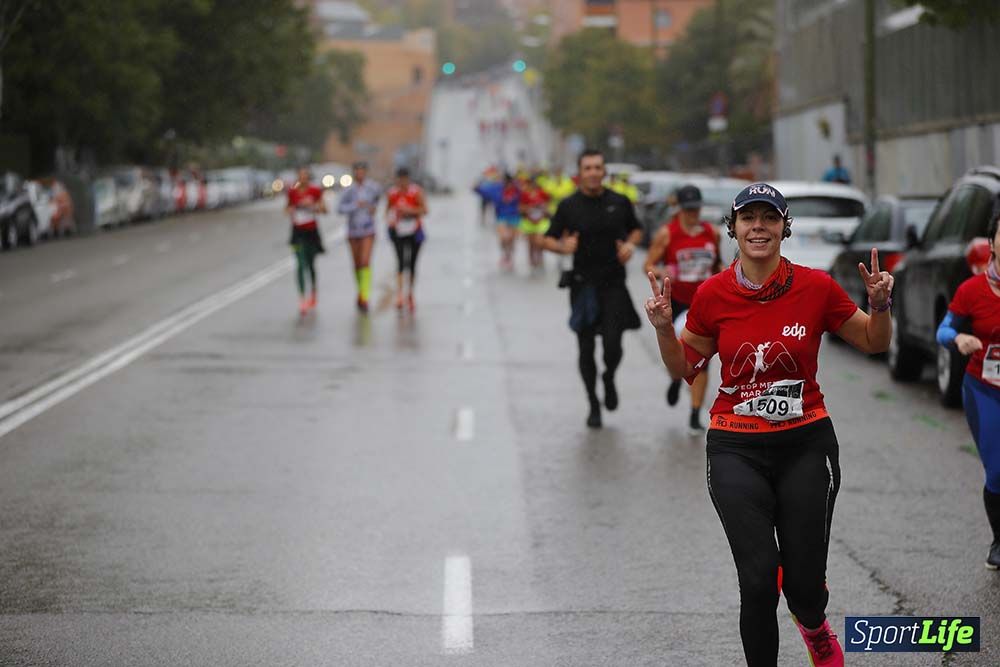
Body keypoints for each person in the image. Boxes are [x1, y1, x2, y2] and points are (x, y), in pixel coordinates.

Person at [645, 182, 894, 666]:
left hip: (806, 443)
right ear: (734, 229)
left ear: (784, 227)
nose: (758, 227)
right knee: (758, 580)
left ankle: (814, 624)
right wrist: (662, 329)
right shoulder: (714, 294)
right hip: (735, 447)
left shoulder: (816, 287)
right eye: (748, 219)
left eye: (769, 217)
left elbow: (874, 342)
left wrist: (880, 306)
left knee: (802, 588)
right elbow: (685, 368)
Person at [542, 149, 643, 429]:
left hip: (613, 284)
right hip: (583, 285)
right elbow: (546, 239)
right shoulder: (569, 206)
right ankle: (593, 403)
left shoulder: (619, 202)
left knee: (613, 344)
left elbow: (636, 229)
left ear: (604, 171)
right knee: (586, 348)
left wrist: (630, 245)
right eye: (588, 168)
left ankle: (609, 376)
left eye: (598, 167)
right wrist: (563, 246)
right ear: (580, 173)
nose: (594, 173)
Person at [936, 212, 1000, 569]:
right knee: (998, 470)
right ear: (991, 243)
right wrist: (958, 337)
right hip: (985, 390)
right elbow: (942, 331)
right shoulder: (972, 290)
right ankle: (999, 540)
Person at [643, 184, 722, 433]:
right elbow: (648, 264)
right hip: (676, 304)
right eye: (688, 209)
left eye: (696, 209)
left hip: (704, 304)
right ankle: (676, 378)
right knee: (683, 353)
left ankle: (695, 413)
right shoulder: (668, 234)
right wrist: (662, 270)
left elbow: (717, 261)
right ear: (679, 208)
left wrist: (723, 274)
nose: (693, 214)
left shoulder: (712, 233)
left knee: (704, 359)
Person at [336, 162, 381, 312]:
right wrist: (355, 205)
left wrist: (369, 206)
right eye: (357, 172)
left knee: (365, 261)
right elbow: (340, 208)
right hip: (353, 230)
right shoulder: (348, 189)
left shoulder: (373, 188)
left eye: (362, 171)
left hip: (368, 229)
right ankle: (360, 290)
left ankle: (365, 296)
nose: (360, 174)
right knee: (356, 264)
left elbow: (376, 205)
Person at [285, 166, 327, 316]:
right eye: (300, 175)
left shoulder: (315, 191)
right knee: (300, 264)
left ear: (308, 177)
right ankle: (302, 298)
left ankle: (313, 292)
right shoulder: (292, 192)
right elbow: (287, 209)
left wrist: (313, 206)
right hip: (297, 233)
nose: (303, 178)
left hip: (311, 232)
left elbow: (324, 209)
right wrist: (293, 208)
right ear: (297, 177)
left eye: (305, 175)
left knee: (310, 264)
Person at [385, 167, 428, 312]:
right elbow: (388, 211)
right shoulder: (392, 193)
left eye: (404, 179)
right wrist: (391, 219)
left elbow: (425, 210)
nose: (402, 182)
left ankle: (410, 293)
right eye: (399, 180)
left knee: (412, 264)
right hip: (398, 231)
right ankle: (400, 294)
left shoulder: (416, 192)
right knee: (400, 263)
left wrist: (410, 210)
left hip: (414, 231)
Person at [475, 172, 521, 270]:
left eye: (510, 183)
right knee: (504, 237)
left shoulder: (518, 190)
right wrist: (477, 186)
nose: (508, 185)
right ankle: (504, 254)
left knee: (512, 239)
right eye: (506, 183)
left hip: (514, 217)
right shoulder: (497, 190)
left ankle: (509, 256)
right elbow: (482, 191)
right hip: (501, 217)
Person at [519, 175, 550, 269]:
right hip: (528, 222)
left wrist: (542, 209)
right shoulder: (524, 194)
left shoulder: (542, 193)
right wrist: (529, 209)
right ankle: (532, 261)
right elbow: (521, 208)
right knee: (531, 243)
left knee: (540, 241)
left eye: (533, 184)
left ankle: (540, 259)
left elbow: (547, 205)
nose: (532, 185)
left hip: (540, 221)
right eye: (530, 184)